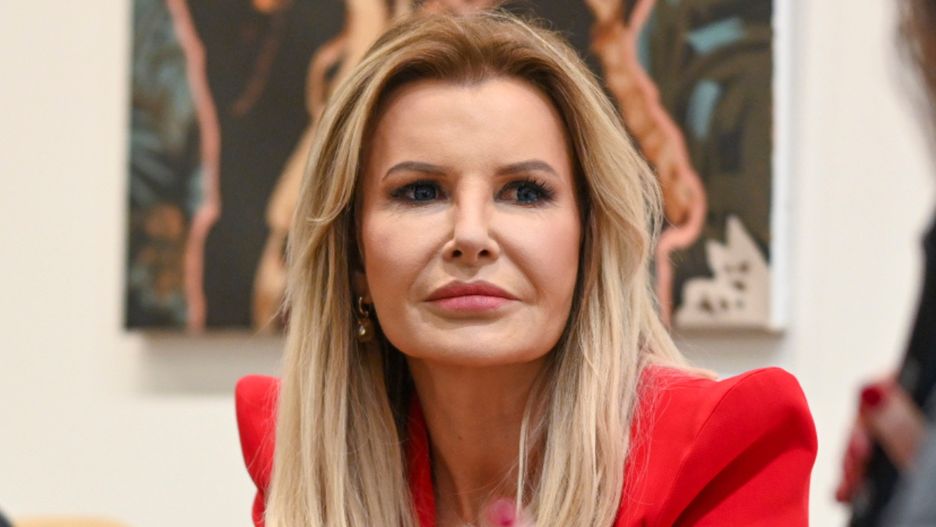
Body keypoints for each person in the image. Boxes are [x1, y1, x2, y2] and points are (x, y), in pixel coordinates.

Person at [235, 10, 817, 527]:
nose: (470, 235)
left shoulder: (716, 448)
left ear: (589, 240)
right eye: (420, 192)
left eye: (524, 192)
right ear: (353, 255)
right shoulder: (306, 455)